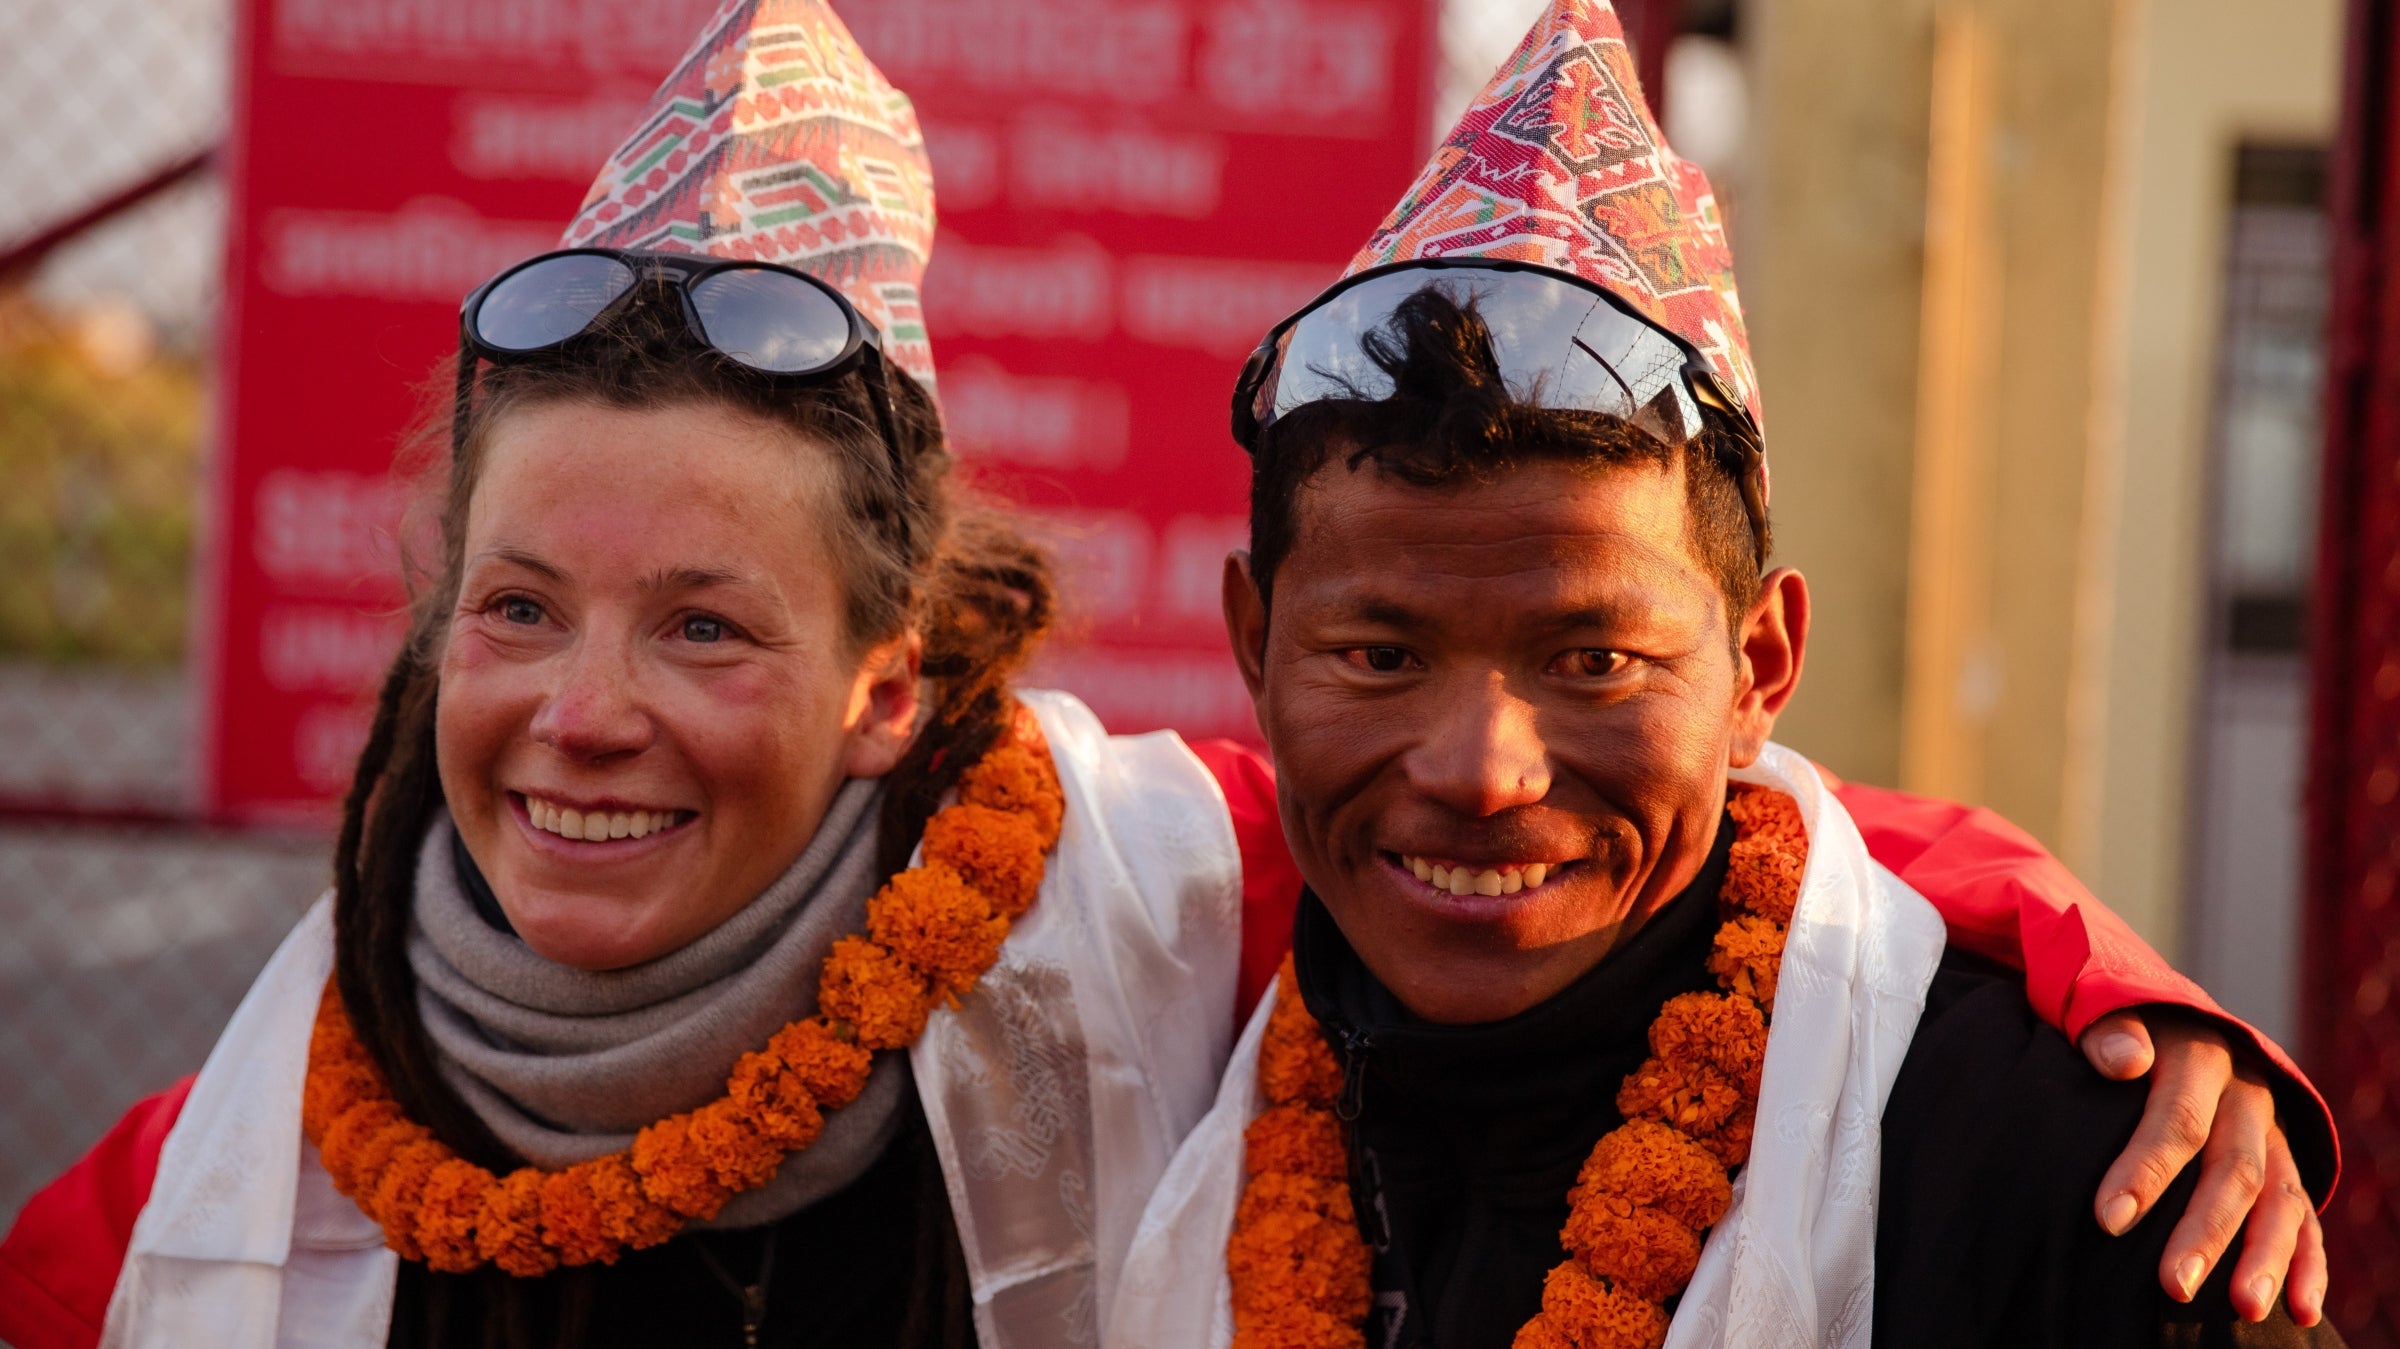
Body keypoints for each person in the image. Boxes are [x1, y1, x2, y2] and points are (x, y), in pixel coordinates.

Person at [0, 3, 2335, 1348]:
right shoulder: (212, 1178)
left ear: (894, 685)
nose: (582, 707)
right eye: (518, 607)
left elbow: (1680, 844)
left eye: (706, 621)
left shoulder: (1108, 914)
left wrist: (2075, 971)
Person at [1107, 2, 2343, 1347]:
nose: (1479, 771)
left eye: (1594, 661)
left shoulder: (2085, 1189)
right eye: (1381, 656)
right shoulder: (1132, 1030)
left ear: (1760, 666)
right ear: (1254, 642)